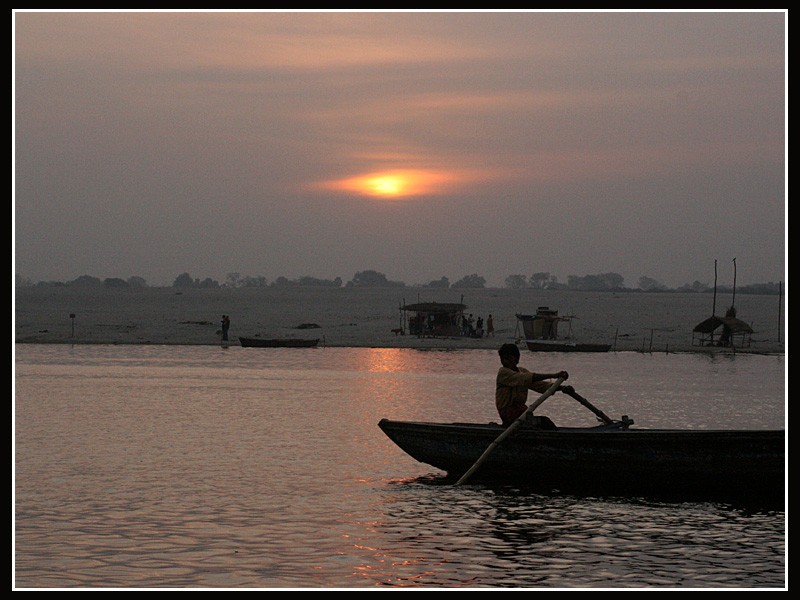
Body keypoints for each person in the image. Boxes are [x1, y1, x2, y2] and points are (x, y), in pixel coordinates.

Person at [495, 343, 571, 426]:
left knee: (546, 423)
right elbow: (527, 378)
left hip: (521, 413)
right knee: (544, 422)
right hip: (508, 414)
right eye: (502, 359)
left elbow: (539, 385)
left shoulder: (522, 371)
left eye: (507, 358)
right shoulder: (503, 372)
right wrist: (554, 375)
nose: (504, 362)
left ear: (517, 359)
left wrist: (561, 388)